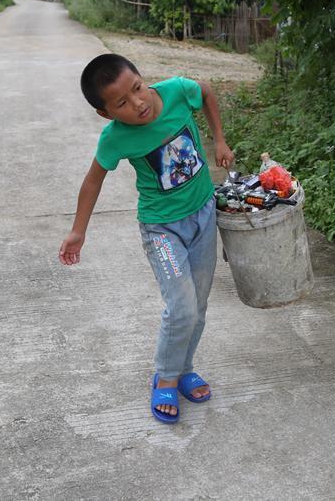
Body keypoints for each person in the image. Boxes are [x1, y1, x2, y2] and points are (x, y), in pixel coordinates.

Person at [58, 53, 234, 424]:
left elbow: (205, 91)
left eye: (137, 88)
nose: (137, 103)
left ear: (141, 77)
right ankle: (165, 377)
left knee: (198, 305)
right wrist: (78, 230)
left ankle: (185, 368)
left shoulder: (176, 91)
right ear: (106, 114)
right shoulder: (116, 138)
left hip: (204, 216)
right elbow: (93, 179)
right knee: (181, 306)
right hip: (162, 231)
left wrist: (219, 139)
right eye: (121, 102)